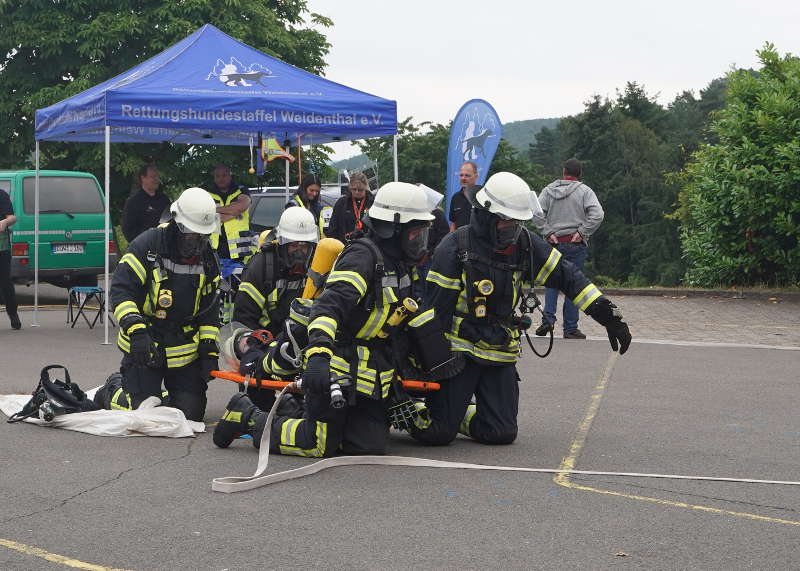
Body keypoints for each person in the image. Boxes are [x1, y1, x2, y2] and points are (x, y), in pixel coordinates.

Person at [213, 182, 438, 456]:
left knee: (369, 446)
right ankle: (246, 415)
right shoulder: (362, 257)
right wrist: (319, 356)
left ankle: (290, 410)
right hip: (335, 364)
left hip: (368, 375)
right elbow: (328, 309)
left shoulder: (400, 265)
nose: (419, 242)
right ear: (394, 228)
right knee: (317, 443)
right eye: (416, 234)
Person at [409, 172, 631, 447]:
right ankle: (406, 410)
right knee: (438, 433)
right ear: (487, 216)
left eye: (517, 221)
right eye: (507, 221)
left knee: (501, 433)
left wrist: (608, 315)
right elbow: (436, 311)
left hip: (498, 350)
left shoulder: (524, 244)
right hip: (459, 353)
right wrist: (428, 363)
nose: (512, 228)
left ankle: (462, 415)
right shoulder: (455, 246)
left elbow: (568, 276)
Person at [95, 188, 221, 422]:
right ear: (178, 225)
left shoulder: (208, 257)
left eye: (202, 236)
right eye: (192, 235)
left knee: (191, 415)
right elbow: (122, 291)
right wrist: (137, 331)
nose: (197, 243)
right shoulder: (148, 245)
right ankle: (112, 389)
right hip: (146, 344)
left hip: (184, 349)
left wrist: (208, 348)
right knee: (142, 411)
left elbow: (210, 308)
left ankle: (164, 394)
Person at [231, 207, 319, 410]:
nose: (300, 252)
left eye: (305, 246)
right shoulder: (261, 266)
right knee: (260, 409)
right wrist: (253, 349)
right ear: (282, 243)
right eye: (294, 246)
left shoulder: (317, 268)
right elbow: (243, 318)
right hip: (264, 343)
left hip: (302, 342)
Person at [533, 158, 604, 339]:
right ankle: (570, 328)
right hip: (575, 244)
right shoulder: (585, 191)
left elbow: (535, 212)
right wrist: (582, 232)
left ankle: (547, 320)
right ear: (580, 174)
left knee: (551, 284)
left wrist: (547, 232)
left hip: (553, 244)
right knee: (573, 286)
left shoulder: (549, 190)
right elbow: (598, 214)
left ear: (563, 172)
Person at [207, 164, 255, 269]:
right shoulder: (208, 195)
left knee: (240, 284)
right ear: (214, 178)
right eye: (217, 176)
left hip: (240, 254)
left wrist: (214, 211)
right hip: (214, 252)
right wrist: (233, 211)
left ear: (230, 176)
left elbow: (240, 206)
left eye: (224, 175)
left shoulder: (241, 191)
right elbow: (205, 215)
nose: (221, 179)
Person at [121, 164, 171, 243]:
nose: (156, 180)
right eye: (153, 177)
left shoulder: (164, 200)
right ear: (143, 178)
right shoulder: (133, 202)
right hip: (142, 246)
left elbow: (171, 222)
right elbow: (127, 229)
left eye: (157, 177)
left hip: (163, 246)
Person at [327, 172, 373, 242]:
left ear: (366, 187)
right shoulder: (341, 203)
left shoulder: (372, 203)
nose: (357, 192)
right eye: (354, 189)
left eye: (360, 190)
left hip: (368, 246)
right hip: (345, 247)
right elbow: (332, 229)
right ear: (350, 187)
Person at [0, 188, 20, 330]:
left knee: (5, 282)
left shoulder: (1, 194)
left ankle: (13, 314)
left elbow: (12, 217)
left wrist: (5, 222)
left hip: (2, 247)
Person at [448, 161, 479, 231]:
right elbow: (453, 223)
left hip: (478, 240)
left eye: (467, 175)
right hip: (460, 240)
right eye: (461, 175)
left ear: (476, 177)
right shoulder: (455, 198)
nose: (463, 178)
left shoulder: (482, 197)